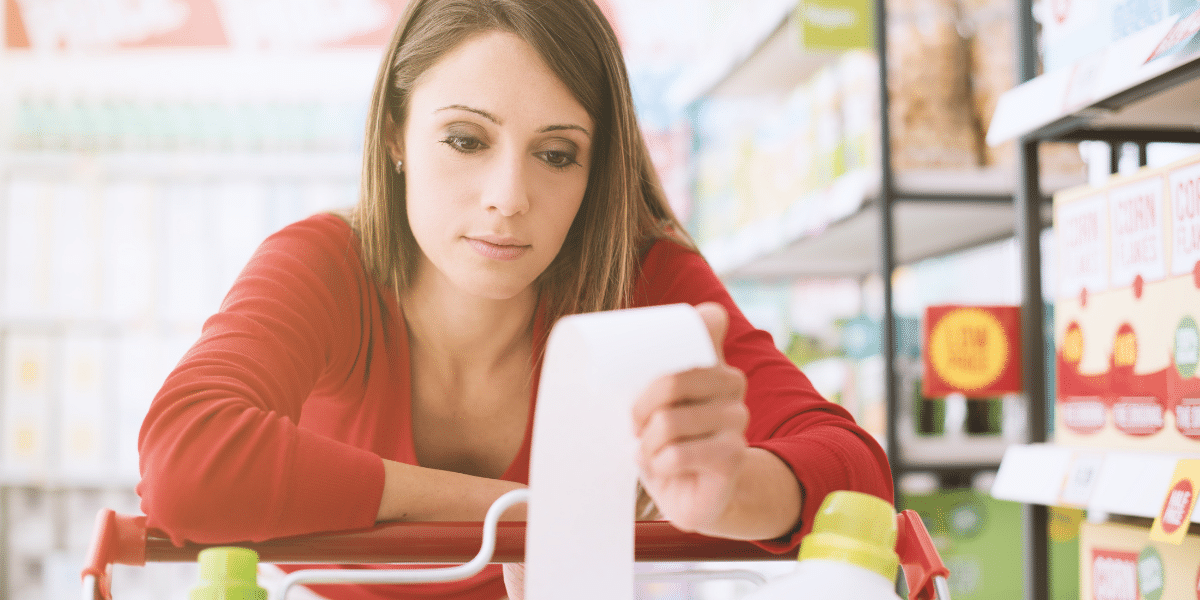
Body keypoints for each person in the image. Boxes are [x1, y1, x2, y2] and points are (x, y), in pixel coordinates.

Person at [136, 1, 893, 599]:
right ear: (396, 135)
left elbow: (857, 474)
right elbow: (185, 462)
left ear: (595, 170)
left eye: (556, 154)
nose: (509, 198)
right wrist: (521, 509)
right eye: (466, 140)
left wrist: (731, 493)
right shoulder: (326, 265)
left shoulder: (637, 277)